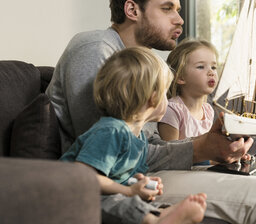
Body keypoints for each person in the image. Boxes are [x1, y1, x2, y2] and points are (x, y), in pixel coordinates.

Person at [47, 0, 256, 223]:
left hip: (146, 171)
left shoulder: (144, 65)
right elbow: (116, 151)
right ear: (132, 9)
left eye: (179, 9)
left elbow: (147, 145)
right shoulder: (96, 49)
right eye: (167, 8)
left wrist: (212, 146)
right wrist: (199, 149)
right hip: (118, 182)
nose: (180, 19)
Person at [60, 47, 207, 224]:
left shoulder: (138, 137)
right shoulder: (111, 131)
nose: (168, 101)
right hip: (75, 196)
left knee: (130, 201)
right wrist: (129, 191)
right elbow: (85, 176)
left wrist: (139, 183)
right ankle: (156, 221)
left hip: (106, 194)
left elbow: (119, 176)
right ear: (153, 98)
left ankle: (160, 214)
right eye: (165, 94)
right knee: (121, 203)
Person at [158, 39, 218, 165]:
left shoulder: (208, 110)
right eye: (201, 67)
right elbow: (171, 156)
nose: (211, 72)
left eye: (213, 67)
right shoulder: (172, 110)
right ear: (180, 77)